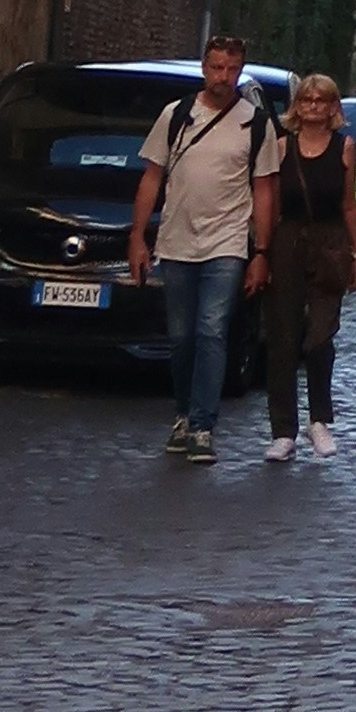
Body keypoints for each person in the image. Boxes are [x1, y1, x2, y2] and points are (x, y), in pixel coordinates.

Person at [125, 29, 274, 466]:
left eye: (231, 69)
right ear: (203, 68)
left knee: (212, 331)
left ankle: (204, 425)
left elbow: (263, 190)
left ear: (240, 71)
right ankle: (183, 413)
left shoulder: (256, 123)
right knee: (181, 336)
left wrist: (261, 252)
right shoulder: (176, 115)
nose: (223, 77)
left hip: (227, 242)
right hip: (175, 240)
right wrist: (138, 236)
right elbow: (152, 177)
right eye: (216, 68)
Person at [259, 73, 356, 462]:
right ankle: (283, 430)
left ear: (334, 107)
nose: (314, 106)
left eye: (322, 100)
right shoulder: (282, 147)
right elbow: (272, 203)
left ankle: (320, 419)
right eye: (307, 100)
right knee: (282, 335)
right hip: (289, 241)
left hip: (331, 242)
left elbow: (349, 204)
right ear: (297, 106)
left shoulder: (344, 148)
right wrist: (263, 251)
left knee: (321, 333)